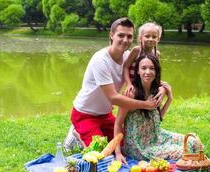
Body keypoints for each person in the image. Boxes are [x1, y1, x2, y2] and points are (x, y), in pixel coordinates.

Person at [69, 18, 168, 147]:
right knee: (100, 151)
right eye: (121, 35)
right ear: (111, 35)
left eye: (129, 36)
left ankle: (94, 133)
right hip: (84, 114)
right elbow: (113, 98)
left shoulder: (129, 56)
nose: (125, 40)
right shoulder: (100, 60)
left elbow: (149, 74)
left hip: (105, 115)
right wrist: (146, 104)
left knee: (126, 145)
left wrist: (163, 89)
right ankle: (76, 134)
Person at [114, 54, 199, 164]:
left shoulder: (156, 91)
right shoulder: (130, 93)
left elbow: (158, 119)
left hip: (158, 136)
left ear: (156, 71)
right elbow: (118, 123)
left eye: (152, 68)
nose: (148, 72)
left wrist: (169, 99)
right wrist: (118, 153)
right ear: (138, 71)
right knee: (182, 151)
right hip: (139, 147)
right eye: (143, 68)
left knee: (193, 142)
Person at [123, 22, 162, 97]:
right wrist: (128, 84)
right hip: (133, 85)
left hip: (147, 87)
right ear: (140, 38)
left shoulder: (156, 54)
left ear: (158, 39)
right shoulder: (136, 50)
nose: (150, 39)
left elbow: (156, 72)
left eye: (154, 37)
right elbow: (125, 67)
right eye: (147, 36)